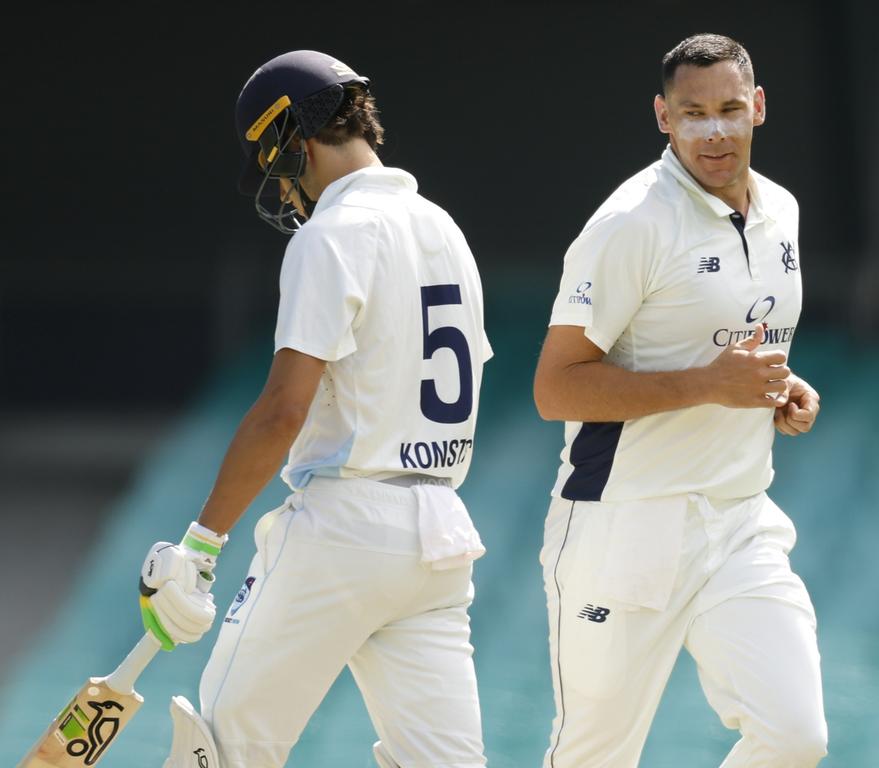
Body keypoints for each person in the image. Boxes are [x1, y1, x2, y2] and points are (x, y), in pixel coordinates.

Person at [138, 49, 493, 768]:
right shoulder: (444, 230)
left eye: (274, 166)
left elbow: (281, 412)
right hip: (441, 538)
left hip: (345, 529)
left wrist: (202, 544)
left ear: (293, 141)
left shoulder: (333, 235)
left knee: (225, 746)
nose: (282, 189)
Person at [532, 33, 828, 768]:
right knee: (592, 758)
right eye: (693, 113)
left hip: (739, 518)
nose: (715, 130)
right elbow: (555, 386)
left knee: (794, 737)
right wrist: (708, 387)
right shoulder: (632, 222)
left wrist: (783, 389)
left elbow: (732, 345)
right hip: (624, 526)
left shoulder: (781, 210)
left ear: (758, 107)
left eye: (730, 108)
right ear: (663, 118)